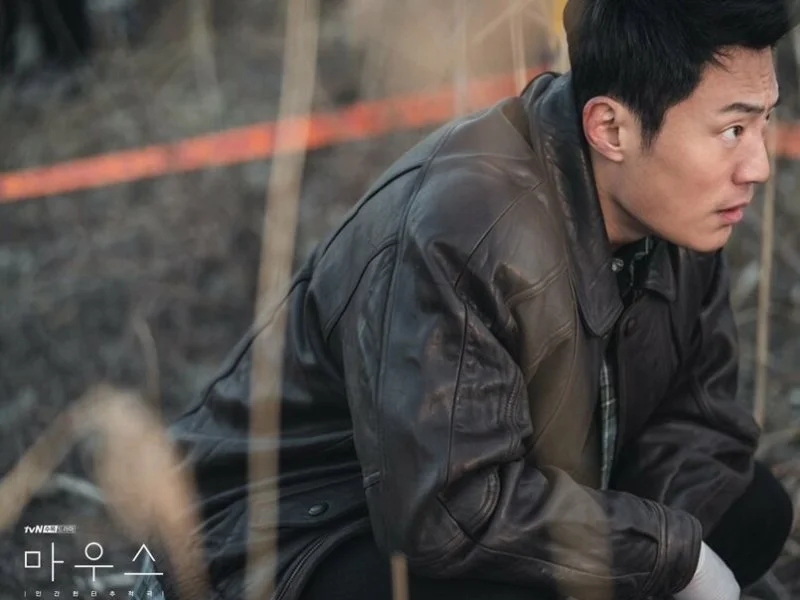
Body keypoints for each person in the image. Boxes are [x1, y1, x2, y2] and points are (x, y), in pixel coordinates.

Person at [157, 1, 797, 599]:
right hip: (303, 526)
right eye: (731, 129)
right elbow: (450, 510)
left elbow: (703, 419)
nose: (757, 166)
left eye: (763, 122)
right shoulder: (465, 230)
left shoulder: (681, 211)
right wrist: (672, 559)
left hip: (516, 491)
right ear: (610, 127)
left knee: (750, 511)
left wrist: (656, 550)